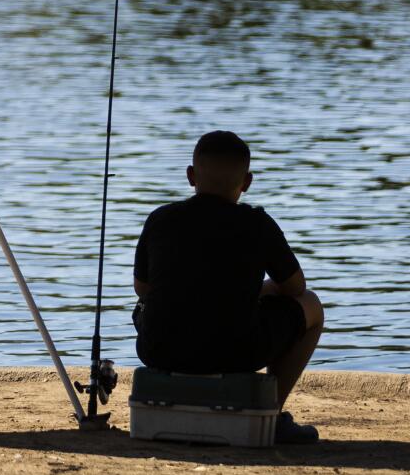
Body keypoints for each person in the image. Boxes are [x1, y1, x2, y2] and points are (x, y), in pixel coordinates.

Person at [133, 130, 324, 445]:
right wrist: (263, 290)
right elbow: (295, 288)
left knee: (147, 305)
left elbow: (143, 289)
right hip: (237, 353)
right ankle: (271, 413)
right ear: (246, 182)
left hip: (160, 349)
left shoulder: (161, 219)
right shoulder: (258, 224)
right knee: (312, 305)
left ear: (191, 176)